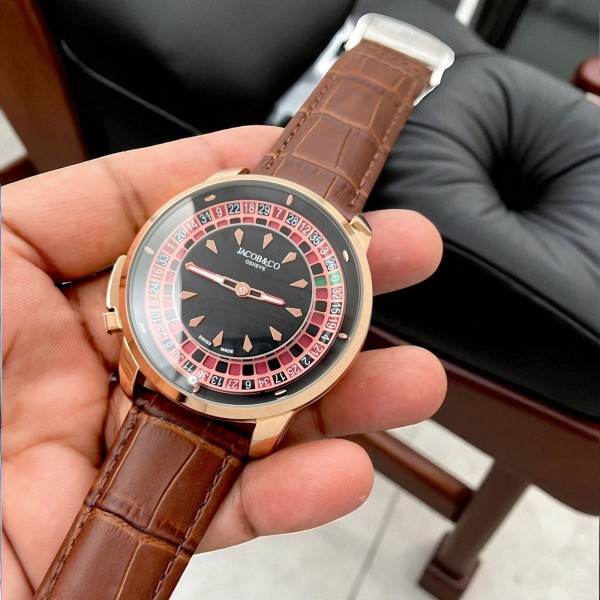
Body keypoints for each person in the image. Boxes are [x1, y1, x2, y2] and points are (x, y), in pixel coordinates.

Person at [2, 126, 447, 599]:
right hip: (152, 371)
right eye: (238, 284)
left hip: (234, 410)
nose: (242, 288)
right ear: (120, 289)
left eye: (246, 289)